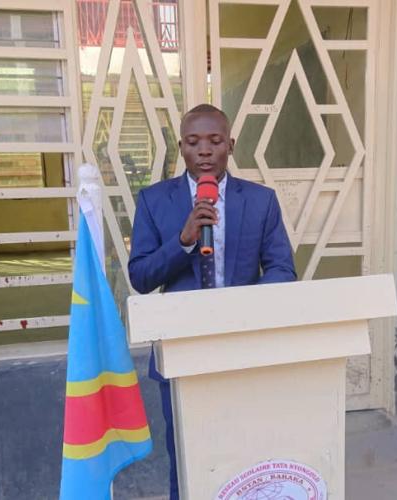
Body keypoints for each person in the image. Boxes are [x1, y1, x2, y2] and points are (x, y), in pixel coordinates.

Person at [128, 103, 297, 499]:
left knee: (246, 450)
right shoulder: (154, 200)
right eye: (193, 142)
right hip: (180, 351)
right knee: (187, 455)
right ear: (181, 148)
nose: (204, 150)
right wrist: (183, 241)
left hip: (243, 348)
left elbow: (282, 270)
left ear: (231, 145)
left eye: (215, 141)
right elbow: (140, 277)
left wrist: (239, 313)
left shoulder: (261, 201)